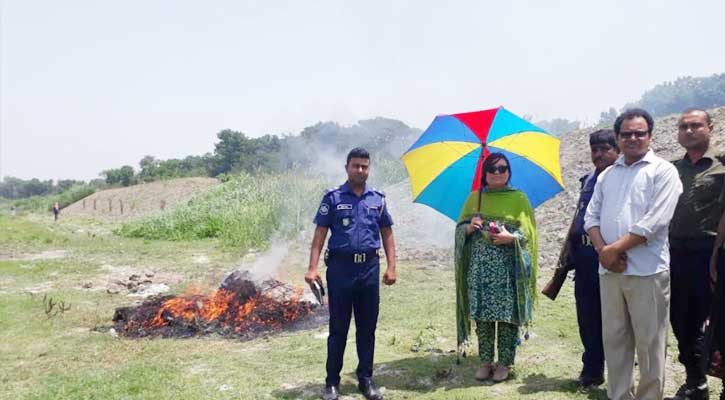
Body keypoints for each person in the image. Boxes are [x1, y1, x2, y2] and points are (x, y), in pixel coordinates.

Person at [585, 108, 683, 400]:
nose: (633, 138)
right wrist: (604, 252)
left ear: (650, 136)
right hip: (610, 273)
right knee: (614, 340)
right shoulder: (607, 176)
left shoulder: (662, 171)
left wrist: (614, 249)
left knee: (650, 345)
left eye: (640, 133)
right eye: (626, 133)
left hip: (647, 271)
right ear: (618, 137)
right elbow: (591, 217)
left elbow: (654, 221)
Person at [305, 147, 397, 400]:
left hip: (369, 268)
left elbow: (387, 232)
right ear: (346, 167)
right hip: (340, 270)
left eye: (364, 166)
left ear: (369, 169)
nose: (360, 170)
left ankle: (365, 379)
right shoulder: (333, 198)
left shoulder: (377, 199)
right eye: (355, 165)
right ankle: (332, 382)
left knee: (367, 328)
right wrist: (312, 268)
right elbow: (319, 235)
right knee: (338, 328)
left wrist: (392, 266)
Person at [454, 152, 537, 383]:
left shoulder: (519, 198)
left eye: (502, 168)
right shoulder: (474, 198)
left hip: (509, 267)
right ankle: (485, 361)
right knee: (483, 315)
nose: (497, 173)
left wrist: (512, 238)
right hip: (480, 268)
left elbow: (529, 232)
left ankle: (505, 363)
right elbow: (460, 230)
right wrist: (470, 228)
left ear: (509, 172)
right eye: (492, 169)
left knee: (507, 316)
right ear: (485, 174)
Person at [666, 108, 725, 400]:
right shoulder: (670, 168)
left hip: (711, 255)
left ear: (710, 128)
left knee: (719, 322)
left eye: (696, 125)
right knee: (682, 320)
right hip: (676, 253)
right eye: (683, 126)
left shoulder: (722, 166)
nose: (689, 131)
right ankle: (695, 381)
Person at [558, 129, 619, 388]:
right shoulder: (588, 180)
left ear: (617, 150)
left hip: (610, 255)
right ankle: (592, 369)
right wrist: (568, 250)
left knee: (615, 319)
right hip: (584, 257)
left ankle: (619, 371)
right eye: (595, 149)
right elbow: (579, 218)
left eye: (605, 149)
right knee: (587, 316)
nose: (599, 154)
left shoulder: (622, 179)